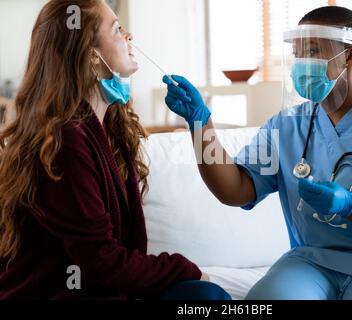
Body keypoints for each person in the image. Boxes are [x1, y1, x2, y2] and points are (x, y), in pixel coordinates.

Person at [162, 6, 352, 300]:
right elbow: (235, 190)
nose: (301, 64)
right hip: (313, 263)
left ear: (350, 56)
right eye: (298, 54)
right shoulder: (287, 126)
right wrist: (200, 124)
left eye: (312, 51)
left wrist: (351, 205)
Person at [0, 0, 230, 300]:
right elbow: (102, 261)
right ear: (93, 56)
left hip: (101, 287)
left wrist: (200, 123)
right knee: (205, 297)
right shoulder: (65, 142)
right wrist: (187, 269)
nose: (129, 35)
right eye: (117, 29)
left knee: (203, 295)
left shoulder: (109, 129)